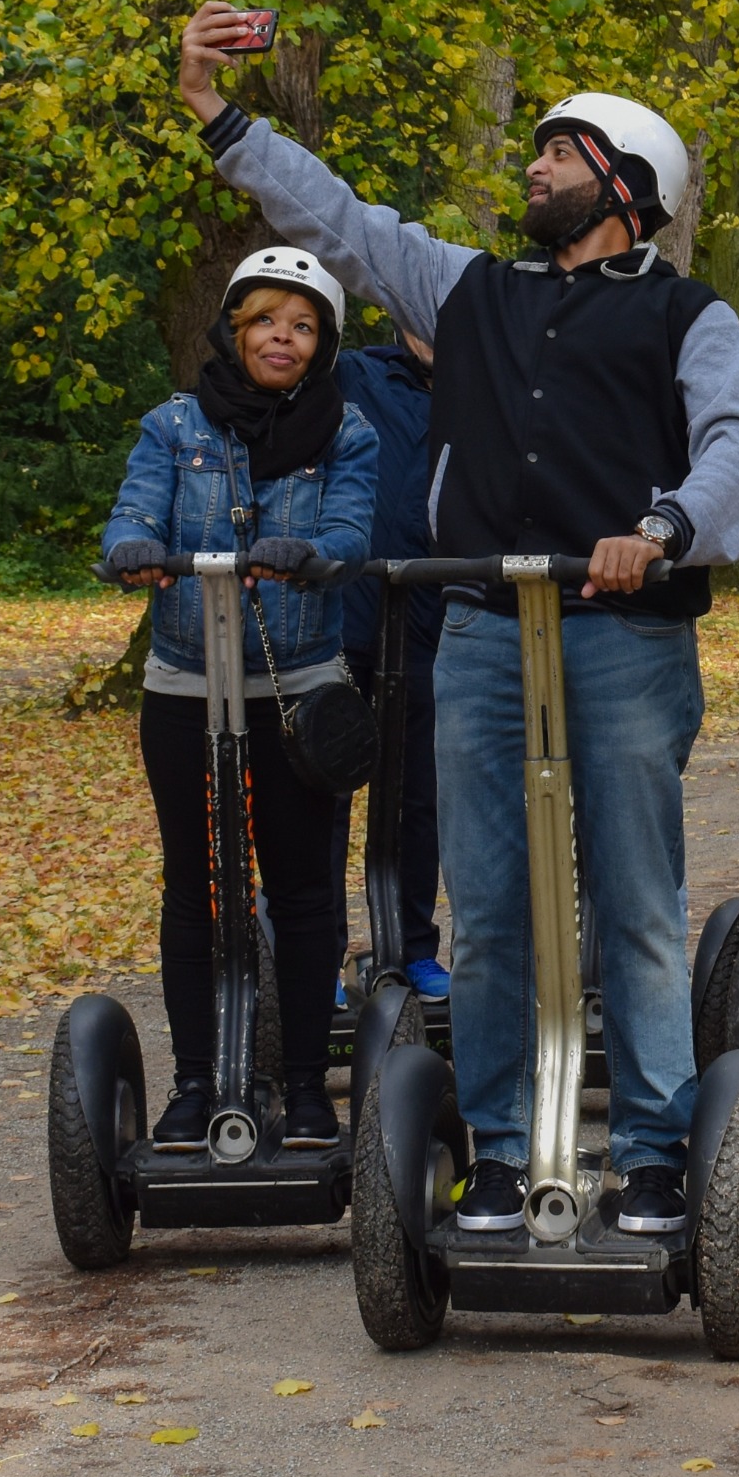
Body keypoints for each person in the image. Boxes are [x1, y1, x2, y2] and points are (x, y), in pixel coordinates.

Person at [175, 3, 739, 1237]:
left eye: (560, 151)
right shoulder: (474, 292)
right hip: (487, 629)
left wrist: (659, 530)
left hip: (625, 634)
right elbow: (342, 221)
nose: (537, 166)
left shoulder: (686, 314)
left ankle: (657, 1151)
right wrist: (220, 119)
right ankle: (501, 1149)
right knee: (492, 907)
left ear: (624, 185)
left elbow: (735, 452)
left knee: (637, 903)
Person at [95, 246, 380, 1148]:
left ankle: (303, 1087)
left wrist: (314, 552)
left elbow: (348, 525)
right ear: (234, 329)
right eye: (264, 322)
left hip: (295, 689)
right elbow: (136, 509)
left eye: (301, 327)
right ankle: (191, 1085)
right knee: (195, 886)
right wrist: (133, 545)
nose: (281, 339)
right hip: (185, 681)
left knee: (300, 891)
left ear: (321, 344)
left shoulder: (348, 434)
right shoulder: (174, 427)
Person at [327, 324, 448, 1001]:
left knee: (417, 797)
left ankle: (412, 950)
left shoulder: (485, 393)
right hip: (341, 616)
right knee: (326, 793)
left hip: (430, 623)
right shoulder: (355, 376)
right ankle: (319, 958)